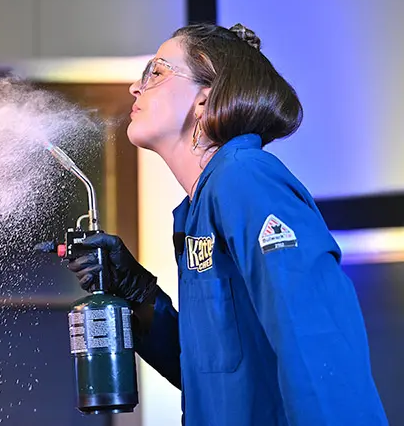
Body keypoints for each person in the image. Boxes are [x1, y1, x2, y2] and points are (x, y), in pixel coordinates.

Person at [67, 23, 388, 425]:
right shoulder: (200, 207)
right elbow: (214, 375)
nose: (136, 87)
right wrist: (137, 290)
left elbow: (316, 335)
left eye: (157, 71)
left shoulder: (246, 177)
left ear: (205, 100)